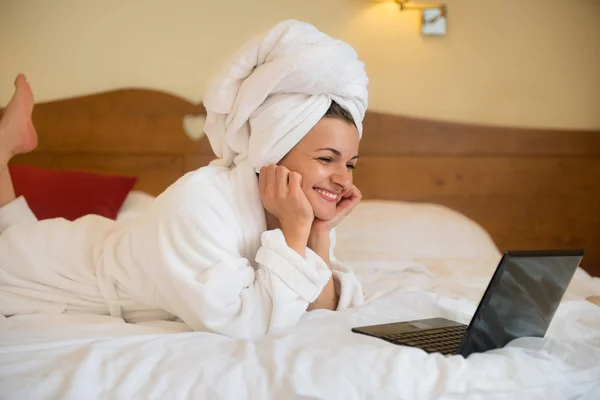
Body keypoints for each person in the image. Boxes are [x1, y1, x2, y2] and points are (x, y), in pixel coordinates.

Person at [0, 20, 368, 339]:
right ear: (272, 153)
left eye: (350, 164)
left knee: (10, 231)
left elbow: (319, 307)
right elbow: (247, 323)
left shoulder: (299, 210)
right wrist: (296, 232)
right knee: (9, 245)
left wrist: (317, 232)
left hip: (110, 250)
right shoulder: (198, 203)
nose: (341, 179)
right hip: (50, 271)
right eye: (325, 159)